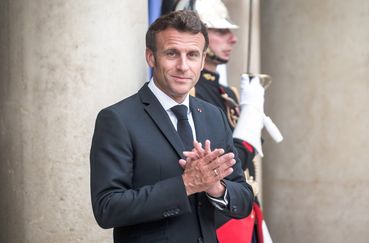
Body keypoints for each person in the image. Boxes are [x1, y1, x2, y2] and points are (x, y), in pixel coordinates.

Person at [90, 10, 253, 243]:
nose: (183, 66)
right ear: (151, 57)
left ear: (203, 61)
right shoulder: (117, 119)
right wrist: (186, 184)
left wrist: (216, 187)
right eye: (172, 53)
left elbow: (244, 198)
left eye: (193, 55)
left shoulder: (213, 115)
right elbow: (107, 209)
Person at [173, 0, 275, 242]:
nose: (233, 39)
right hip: (217, 220)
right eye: (220, 31)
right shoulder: (190, 94)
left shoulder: (227, 93)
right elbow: (216, 162)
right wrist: (248, 132)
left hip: (243, 210)